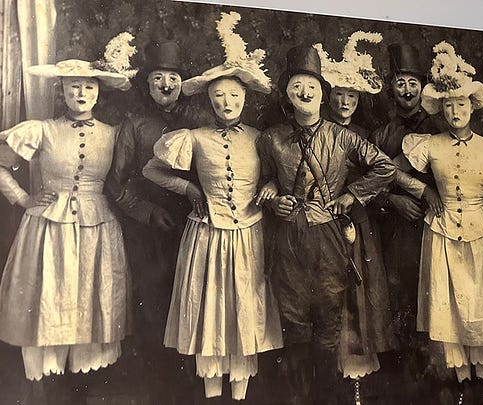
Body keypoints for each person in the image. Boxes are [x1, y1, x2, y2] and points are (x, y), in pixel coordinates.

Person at [142, 12, 282, 401]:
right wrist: (187, 188)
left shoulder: (259, 138)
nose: (227, 102)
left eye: (234, 96)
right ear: (209, 99)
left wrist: (270, 185)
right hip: (206, 235)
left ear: (245, 99)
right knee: (210, 309)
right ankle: (211, 392)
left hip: (250, 235)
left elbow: (279, 174)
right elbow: (151, 170)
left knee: (243, 309)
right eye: (219, 96)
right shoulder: (194, 137)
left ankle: (240, 393)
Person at [258, 44, 395, 405]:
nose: (304, 93)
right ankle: (297, 398)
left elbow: (385, 168)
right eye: (296, 87)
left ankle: (327, 398)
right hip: (288, 237)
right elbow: (265, 180)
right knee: (294, 323)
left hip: (329, 237)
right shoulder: (270, 138)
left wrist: (350, 196)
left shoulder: (343, 136)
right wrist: (275, 199)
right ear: (287, 93)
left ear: (323, 94)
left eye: (312, 87)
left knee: (329, 319)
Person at [0, 33, 137, 381]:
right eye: (74, 87)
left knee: (92, 299)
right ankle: (47, 380)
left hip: (98, 226)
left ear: (98, 92)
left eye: (88, 88)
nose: (81, 94)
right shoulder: (43, 130)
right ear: (61, 91)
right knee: (50, 296)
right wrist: (23, 198)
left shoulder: (113, 134)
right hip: (48, 226)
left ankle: (85, 381)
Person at [400, 41, 483, 404]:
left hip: (482, 231)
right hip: (443, 230)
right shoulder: (428, 144)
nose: (455, 111)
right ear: (441, 110)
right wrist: (424, 192)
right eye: (449, 105)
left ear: (472, 107)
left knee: (481, 302)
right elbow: (393, 173)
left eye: (461, 104)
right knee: (451, 304)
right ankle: (461, 379)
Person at [105, 38, 210, 403]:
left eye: (173, 78)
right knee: (154, 308)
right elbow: (116, 186)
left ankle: (196, 390)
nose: (166, 86)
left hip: (196, 227)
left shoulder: (200, 120)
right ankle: (159, 390)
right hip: (149, 234)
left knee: (197, 305)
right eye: (158, 79)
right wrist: (148, 213)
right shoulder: (133, 126)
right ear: (147, 83)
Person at [313, 31, 396, 403]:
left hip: (358, 228)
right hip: (320, 227)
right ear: (328, 97)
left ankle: (361, 384)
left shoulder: (364, 136)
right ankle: (332, 381)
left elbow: (383, 174)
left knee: (360, 296)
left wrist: (354, 195)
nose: (345, 101)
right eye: (339, 94)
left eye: (352, 95)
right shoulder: (315, 133)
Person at [367, 42, 442, 402]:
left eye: (413, 82)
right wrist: (394, 201)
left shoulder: (440, 125)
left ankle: (436, 377)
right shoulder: (381, 134)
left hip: (436, 227)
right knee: (400, 299)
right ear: (391, 86)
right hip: (397, 230)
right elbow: (366, 183)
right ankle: (404, 380)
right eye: (401, 82)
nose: (408, 90)